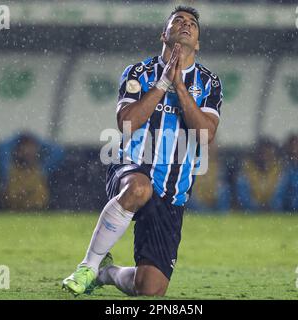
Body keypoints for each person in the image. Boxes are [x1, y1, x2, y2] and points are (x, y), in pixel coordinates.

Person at [62, 6, 223, 297]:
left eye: (192, 24)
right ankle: (88, 265)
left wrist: (179, 86)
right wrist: (162, 83)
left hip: (173, 190)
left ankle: (105, 273)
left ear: (197, 43)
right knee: (138, 187)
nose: (185, 25)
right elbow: (126, 123)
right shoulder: (139, 72)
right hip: (131, 167)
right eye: (178, 21)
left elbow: (206, 134)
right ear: (165, 34)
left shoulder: (209, 82)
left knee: (150, 290)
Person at [0, 132, 64, 210]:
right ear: (18, 151)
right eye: (25, 149)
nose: (29, 152)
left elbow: (59, 150)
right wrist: (19, 136)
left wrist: (38, 140)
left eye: (32, 149)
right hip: (13, 212)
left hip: (38, 212)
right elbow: (2, 148)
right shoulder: (7, 171)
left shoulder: (42, 170)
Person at [236, 137, 286, 211]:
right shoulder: (246, 171)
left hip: (275, 214)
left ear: (273, 156)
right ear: (256, 155)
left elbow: (281, 197)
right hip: (250, 214)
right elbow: (243, 198)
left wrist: (271, 206)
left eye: (268, 155)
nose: (265, 158)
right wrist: (257, 207)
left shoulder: (280, 172)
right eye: (262, 154)